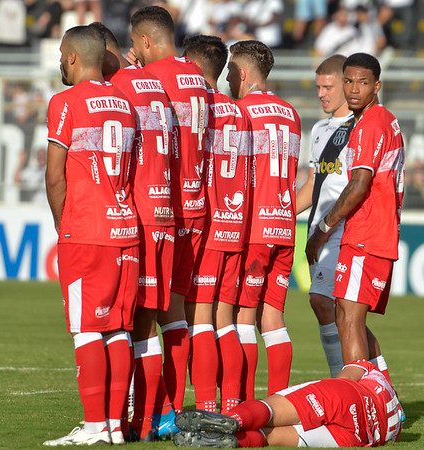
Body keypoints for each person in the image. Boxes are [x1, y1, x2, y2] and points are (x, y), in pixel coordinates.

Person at [42, 25, 139, 447]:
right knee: (118, 328)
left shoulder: (65, 102)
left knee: (85, 329)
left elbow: (54, 177)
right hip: (126, 227)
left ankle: (96, 425)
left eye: (63, 54)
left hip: (87, 230)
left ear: (74, 58)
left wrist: (64, 225)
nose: (60, 61)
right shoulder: (125, 103)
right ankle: (116, 425)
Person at [91, 21, 179, 441]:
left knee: (126, 323)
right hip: (165, 211)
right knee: (148, 319)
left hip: (136, 214)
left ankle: (133, 420)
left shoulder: (118, 87)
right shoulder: (155, 86)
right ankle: (149, 417)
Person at [128, 5, 209, 421]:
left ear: (144, 41)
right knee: (175, 311)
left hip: (164, 206)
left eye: (134, 45)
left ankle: (145, 412)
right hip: (198, 206)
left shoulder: (150, 79)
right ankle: (172, 409)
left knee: (143, 311)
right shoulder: (198, 76)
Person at [305, 53, 404, 380]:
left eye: (362, 82)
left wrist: (322, 229)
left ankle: (360, 402)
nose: (353, 89)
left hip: (365, 232)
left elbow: (359, 184)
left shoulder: (370, 125)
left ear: (376, 86)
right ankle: (383, 398)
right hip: (369, 232)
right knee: (348, 315)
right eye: (349, 81)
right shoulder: (381, 120)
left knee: (346, 319)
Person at [183, 34, 253, 415]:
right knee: (225, 317)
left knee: (200, 316)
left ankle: (208, 406)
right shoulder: (239, 112)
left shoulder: (198, 107)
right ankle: (231, 404)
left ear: (192, 65)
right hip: (236, 223)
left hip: (206, 223)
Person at [229, 40, 301, 398]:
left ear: (242, 74)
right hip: (284, 227)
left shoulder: (240, 112)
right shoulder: (291, 113)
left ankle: (242, 404)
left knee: (243, 317)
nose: (227, 78)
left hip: (253, 226)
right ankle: (278, 404)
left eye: (229, 71)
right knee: (272, 318)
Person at [172, 359, 403, 448]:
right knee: (272, 437)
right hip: (357, 436)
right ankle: (232, 441)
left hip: (344, 396)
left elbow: (346, 376)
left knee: (271, 410)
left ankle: (233, 419)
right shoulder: (396, 427)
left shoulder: (377, 377)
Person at [294, 55, 355, 378]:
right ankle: (376, 386)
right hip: (317, 230)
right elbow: (312, 184)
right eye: (318, 87)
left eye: (328, 86)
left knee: (323, 301)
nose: (321, 93)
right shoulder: (319, 130)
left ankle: (342, 381)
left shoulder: (360, 129)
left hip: (345, 230)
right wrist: (282, 212)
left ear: (346, 86)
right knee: (343, 313)